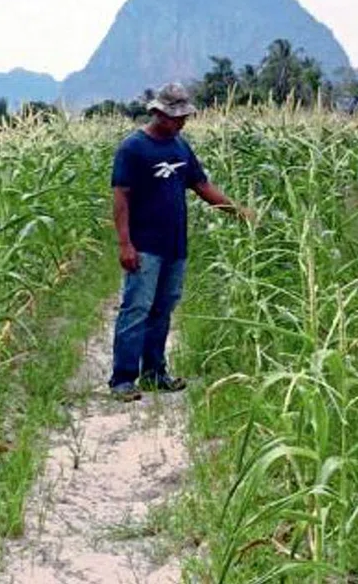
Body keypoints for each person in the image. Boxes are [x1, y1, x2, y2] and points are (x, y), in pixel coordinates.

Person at [108, 82, 253, 401]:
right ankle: (122, 379)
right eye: (176, 116)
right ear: (158, 113)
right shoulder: (133, 148)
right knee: (136, 309)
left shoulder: (180, 147)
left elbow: (202, 186)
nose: (182, 122)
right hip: (144, 245)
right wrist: (125, 244)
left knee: (162, 309)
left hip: (175, 246)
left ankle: (155, 373)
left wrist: (240, 213)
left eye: (184, 116)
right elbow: (121, 198)